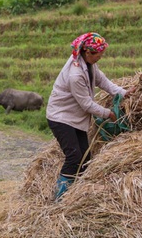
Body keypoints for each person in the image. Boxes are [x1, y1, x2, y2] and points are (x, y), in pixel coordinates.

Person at [46, 32, 132, 200]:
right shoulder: (75, 74)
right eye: (99, 54)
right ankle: (60, 198)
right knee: (74, 156)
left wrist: (124, 92)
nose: (101, 57)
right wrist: (108, 114)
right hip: (61, 118)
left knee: (85, 158)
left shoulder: (89, 64)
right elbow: (86, 104)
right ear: (88, 52)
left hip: (74, 117)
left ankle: (75, 195)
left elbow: (103, 82)